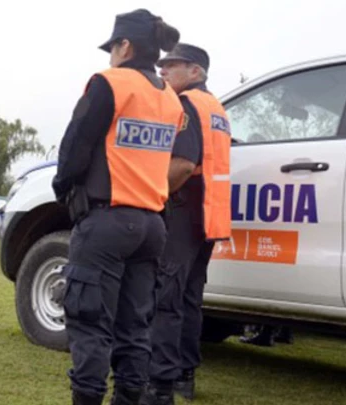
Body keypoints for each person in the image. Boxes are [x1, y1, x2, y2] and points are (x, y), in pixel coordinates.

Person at [52, 9, 183, 405]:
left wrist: (65, 190)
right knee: (135, 329)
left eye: (112, 48)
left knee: (90, 324)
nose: (110, 55)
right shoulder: (169, 97)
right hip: (152, 225)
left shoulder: (110, 83)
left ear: (125, 46)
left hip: (107, 221)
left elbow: (75, 148)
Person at [141, 44, 232, 405]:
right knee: (190, 297)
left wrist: (150, 192)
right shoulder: (216, 108)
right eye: (161, 65)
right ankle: (184, 375)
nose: (163, 71)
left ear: (196, 71)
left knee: (166, 296)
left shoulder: (186, 105)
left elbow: (182, 163)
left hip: (183, 205)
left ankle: (159, 381)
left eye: (172, 65)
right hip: (208, 211)